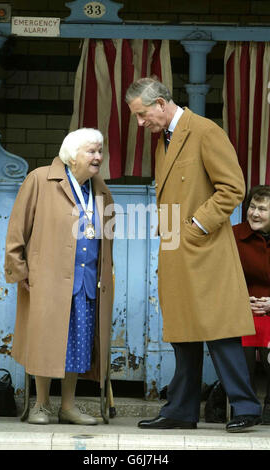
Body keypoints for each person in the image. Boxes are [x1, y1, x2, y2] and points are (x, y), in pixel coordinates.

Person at [125, 77, 262, 432]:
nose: (140, 124)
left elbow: (233, 187)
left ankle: (246, 407)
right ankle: (180, 411)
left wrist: (197, 226)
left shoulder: (204, 131)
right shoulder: (164, 141)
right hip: (176, 247)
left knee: (220, 329)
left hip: (205, 246)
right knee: (183, 333)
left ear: (160, 103)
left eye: (142, 115)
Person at [4, 128, 115, 425]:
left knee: (77, 345)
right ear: (72, 154)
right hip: (47, 280)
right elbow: (17, 229)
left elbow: (107, 237)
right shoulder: (41, 179)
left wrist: (106, 273)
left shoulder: (100, 188)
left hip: (87, 281)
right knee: (45, 342)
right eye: (91, 151)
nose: (98, 157)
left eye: (100, 151)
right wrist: (20, 270)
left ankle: (68, 406)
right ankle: (41, 405)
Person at [233, 185, 270, 425]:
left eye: (263, 209)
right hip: (241, 309)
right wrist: (239, 299)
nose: (254, 214)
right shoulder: (234, 235)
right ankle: (243, 407)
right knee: (240, 350)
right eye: (252, 207)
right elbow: (220, 276)